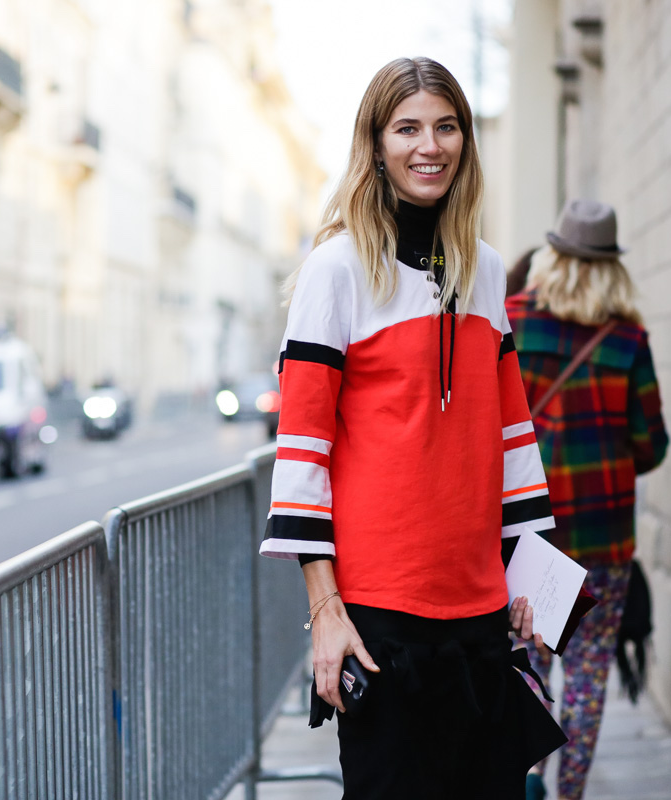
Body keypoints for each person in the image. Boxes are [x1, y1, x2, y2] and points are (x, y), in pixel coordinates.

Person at [260, 57, 566, 798]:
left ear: (465, 141)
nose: (430, 146)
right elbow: (302, 452)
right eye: (407, 129)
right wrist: (325, 610)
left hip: (481, 611)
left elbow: (510, 431)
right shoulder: (336, 270)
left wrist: (531, 571)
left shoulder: (485, 270)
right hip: (379, 617)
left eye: (446, 126)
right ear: (375, 144)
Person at [505, 199, 669, 800]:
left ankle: (526, 778)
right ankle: (569, 793)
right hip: (602, 536)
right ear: (611, 266)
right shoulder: (628, 337)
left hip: (531, 532)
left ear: (554, 257)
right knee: (588, 673)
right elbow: (651, 444)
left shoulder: (512, 320)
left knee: (529, 657)